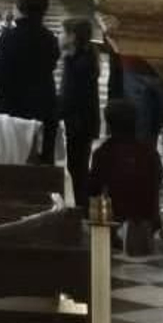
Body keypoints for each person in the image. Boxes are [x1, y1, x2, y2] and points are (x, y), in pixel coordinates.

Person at [0, 0, 60, 163]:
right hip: (43, 107)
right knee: (42, 163)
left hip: (14, 109)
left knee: (14, 161)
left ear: (18, 8)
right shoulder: (50, 38)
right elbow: (50, 65)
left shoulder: (8, 37)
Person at [89, 98, 163, 255]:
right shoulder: (150, 153)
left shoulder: (103, 153)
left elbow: (93, 190)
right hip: (147, 224)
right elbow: (158, 183)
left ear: (109, 125)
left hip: (116, 226)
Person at [59, 18, 100, 211]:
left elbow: (69, 94)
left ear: (72, 36)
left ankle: (80, 208)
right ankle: (81, 205)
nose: (59, 36)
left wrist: (58, 112)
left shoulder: (76, 62)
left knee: (77, 167)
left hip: (78, 122)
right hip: (85, 121)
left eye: (63, 32)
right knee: (80, 165)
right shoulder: (88, 56)